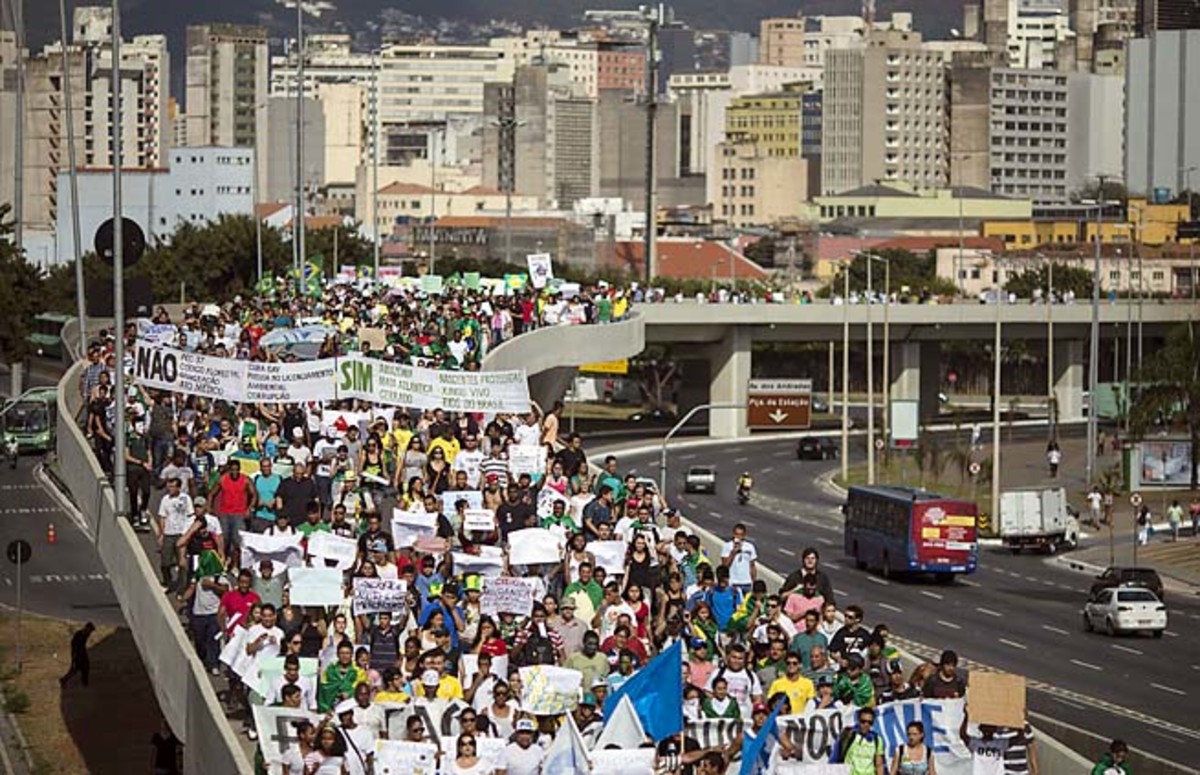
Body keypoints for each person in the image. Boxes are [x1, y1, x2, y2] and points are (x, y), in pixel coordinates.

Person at [835, 706, 885, 774]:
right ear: (858, 720)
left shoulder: (877, 739)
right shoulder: (850, 735)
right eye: (863, 721)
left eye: (870, 722)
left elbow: (879, 764)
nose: (866, 725)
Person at [59, 622, 96, 687]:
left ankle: (85, 682)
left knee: (86, 667)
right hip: (77, 654)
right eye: (90, 630)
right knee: (74, 669)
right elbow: (74, 645)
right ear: (87, 628)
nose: (90, 632)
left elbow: (82, 645)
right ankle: (64, 680)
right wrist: (75, 656)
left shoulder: (86, 634)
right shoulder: (79, 635)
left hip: (82, 653)